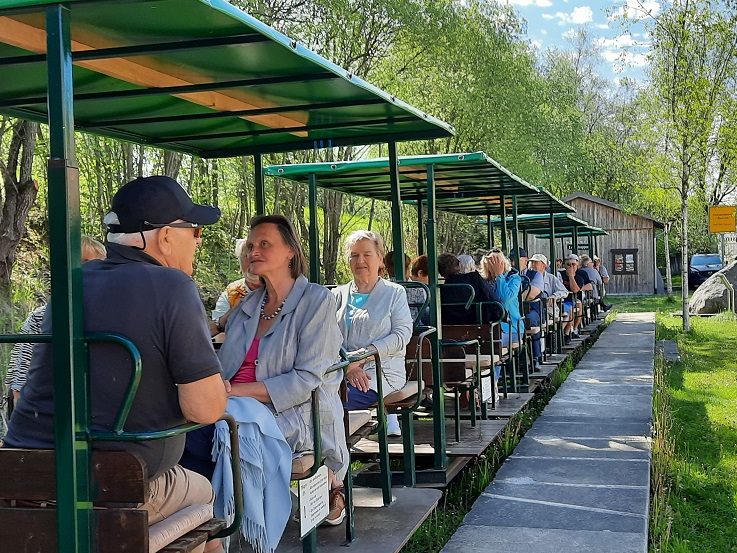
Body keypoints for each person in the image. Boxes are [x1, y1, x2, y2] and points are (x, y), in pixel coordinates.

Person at [4, 176, 228, 553]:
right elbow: (205, 407)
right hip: (112, 490)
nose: (198, 240)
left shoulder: (69, 285)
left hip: (26, 483)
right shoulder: (173, 287)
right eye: (195, 230)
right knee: (204, 493)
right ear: (166, 236)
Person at [213, 215, 349, 526]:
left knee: (224, 431)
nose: (253, 252)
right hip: (231, 404)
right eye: (250, 246)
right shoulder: (249, 304)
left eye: (264, 244)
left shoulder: (316, 300)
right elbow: (218, 332)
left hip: (292, 412)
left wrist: (232, 392)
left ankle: (236, 524)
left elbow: (305, 380)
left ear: (290, 251)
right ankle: (215, 523)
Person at [3, 235, 106, 418]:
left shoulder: (107, 313)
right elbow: (22, 370)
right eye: (87, 263)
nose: (95, 271)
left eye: (102, 265)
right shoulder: (41, 316)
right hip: (45, 410)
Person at [333, 231, 413, 438]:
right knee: (310, 400)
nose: (360, 261)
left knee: (331, 405)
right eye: (354, 255)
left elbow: (402, 334)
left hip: (379, 373)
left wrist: (363, 357)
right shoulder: (337, 295)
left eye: (367, 254)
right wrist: (349, 366)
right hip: (339, 372)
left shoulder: (394, 293)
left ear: (379, 258)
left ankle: (335, 462)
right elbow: (326, 337)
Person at [481, 249, 523, 396]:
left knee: (492, 343)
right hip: (489, 328)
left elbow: (505, 298)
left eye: (497, 261)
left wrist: (499, 275)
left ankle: (491, 387)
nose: (494, 264)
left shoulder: (514, 278)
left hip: (511, 328)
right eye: (491, 262)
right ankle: (480, 388)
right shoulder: (483, 281)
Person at [210, 238, 262, 339]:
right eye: (246, 257)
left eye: (257, 259)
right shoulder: (231, 292)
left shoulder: (277, 291)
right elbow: (217, 335)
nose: (251, 264)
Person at [438, 252, 500, 324]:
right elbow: (490, 296)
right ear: (458, 265)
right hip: (476, 322)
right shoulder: (474, 279)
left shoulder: (442, 288)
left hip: (448, 323)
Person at [521, 253, 545, 371]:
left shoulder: (536, 275)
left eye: (536, 262)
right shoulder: (509, 274)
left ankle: (536, 357)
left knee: (530, 320)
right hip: (516, 310)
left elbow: (531, 294)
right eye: (532, 262)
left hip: (533, 309)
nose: (533, 264)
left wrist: (513, 298)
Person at [559, 254, 587, 344]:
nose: (571, 266)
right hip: (560, 299)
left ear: (577, 265)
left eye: (573, 264)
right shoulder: (560, 275)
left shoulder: (579, 278)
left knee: (571, 308)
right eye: (568, 264)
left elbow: (575, 290)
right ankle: (563, 333)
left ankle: (568, 332)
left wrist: (571, 276)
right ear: (564, 265)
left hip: (572, 299)